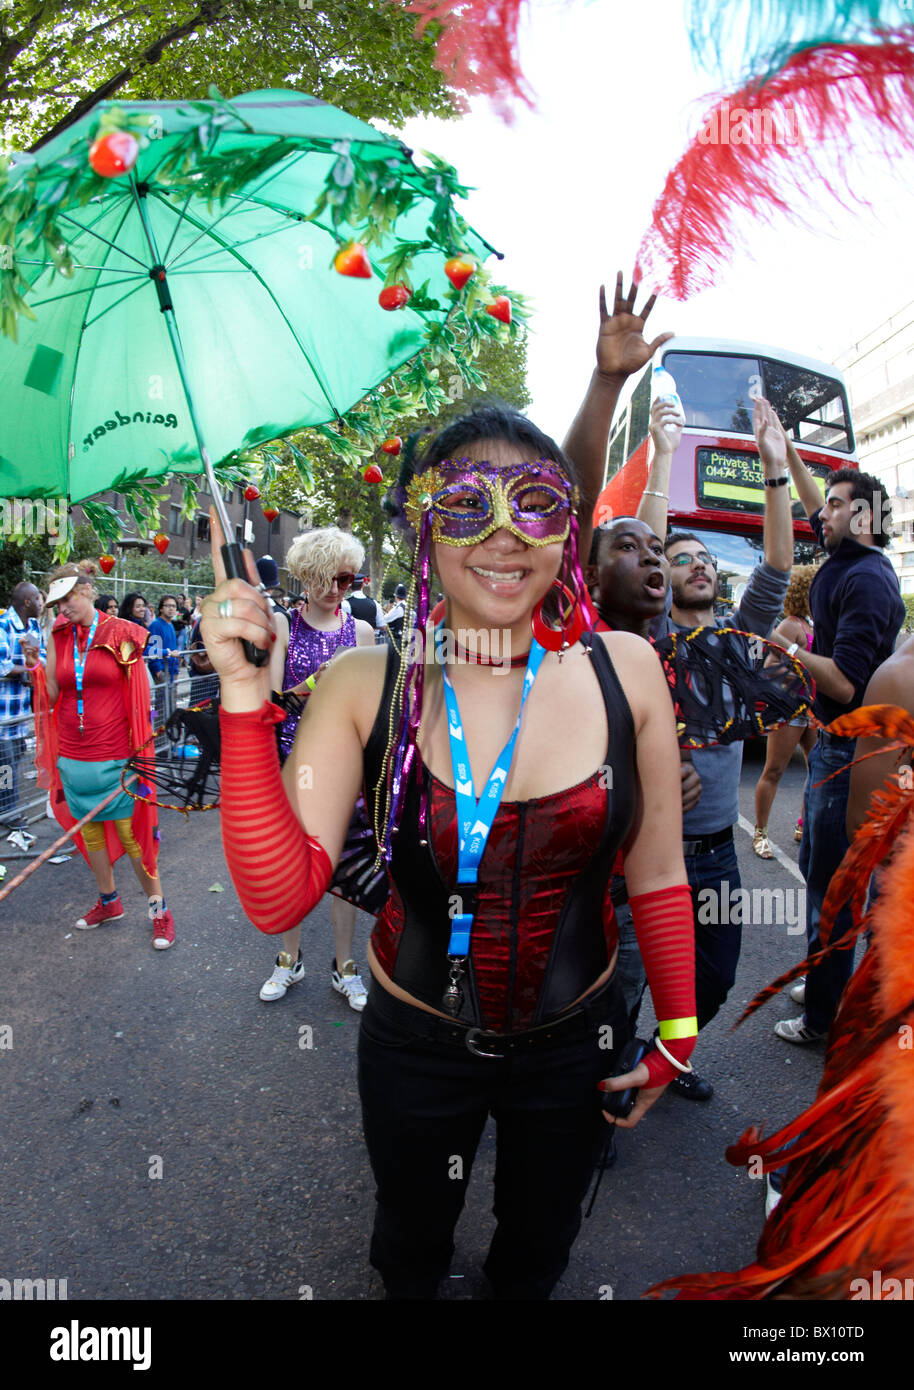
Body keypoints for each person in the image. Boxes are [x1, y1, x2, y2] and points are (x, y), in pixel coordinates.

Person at [202, 392, 698, 1301]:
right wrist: (241, 695)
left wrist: (676, 1028)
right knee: (411, 1244)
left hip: (575, 1039)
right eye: (467, 505)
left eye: (536, 502)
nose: (504, 533)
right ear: (425, 531)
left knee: (540, 1247)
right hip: (415, 1041)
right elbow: (278, 902)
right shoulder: (365, 680)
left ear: (566, 525)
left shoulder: (625, 668)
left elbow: (659, 870)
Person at [635, 397, 793, 1095]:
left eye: (704, 559)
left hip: (716, 858)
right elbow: (639, 543)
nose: (697, 564)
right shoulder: (649, 642)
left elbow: (780, 566)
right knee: (622, 982)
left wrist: (775, 468)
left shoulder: (734, 640)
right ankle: (607, 1088)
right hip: (645, 851)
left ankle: (665, 1058)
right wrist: (665, 459)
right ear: (659, 580)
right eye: (679, 558)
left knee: (716, 976)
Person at [767, 443, 905, 1042]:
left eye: (836, 506)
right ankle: (826, 981)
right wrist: (783, 451)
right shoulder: (850, 560)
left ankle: (824, 1017)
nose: (821, 513)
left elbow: (847, 683)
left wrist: (788, 649)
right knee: (821, 872)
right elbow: (817, 499)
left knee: (834, 889)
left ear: (865, 519)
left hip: (851, 755)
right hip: (834, 749)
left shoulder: (868, 581)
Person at [585, 400, 703, 1081]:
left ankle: (614, 1087)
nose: (649, 559)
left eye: (656, 551)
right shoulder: (571, 642)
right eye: (623, 550)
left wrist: (670, 778)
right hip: (576, 888)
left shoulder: (663, 642)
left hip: (643, 889)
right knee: (582, 1013)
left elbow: (645, 557)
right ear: (589, 575)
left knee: (623, 1005)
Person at [27, 563, 175, 948]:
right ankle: (109, 902)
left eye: (69, 599)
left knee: (134, 836)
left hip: (116, 753)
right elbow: (56, 694)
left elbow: (141, 693)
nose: (63, 610)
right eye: (57, 603)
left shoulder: (121, 632)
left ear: (89, 590)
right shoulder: (59, 632)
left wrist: (141, 753)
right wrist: (34, 667)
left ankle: (160, 912)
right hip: (74, 753)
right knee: (90, 831)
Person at [257, 527, 375, 1009]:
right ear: (307, 576)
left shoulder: (362, 631)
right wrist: (314, 684)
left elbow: (371, 707)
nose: (337, 589)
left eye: (347, 579)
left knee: (345, 870)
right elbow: (269, 697)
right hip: (295, 764)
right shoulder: (285, 625)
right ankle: (289, 959)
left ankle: (344, 967)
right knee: (294, 866)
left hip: (348, 769)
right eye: (328, 578)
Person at [752, 564, 817, 858]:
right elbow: (768, 668)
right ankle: (760, 833)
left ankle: (803, 825)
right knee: (774, 770)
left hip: (812, 710)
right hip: (791, 709)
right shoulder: (790, 625)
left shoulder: (811, 624)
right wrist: (799, 680)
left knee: (817, 769)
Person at [0, 582, 46, 852]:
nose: (42, 605)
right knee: (5, 766)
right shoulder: (4, 625)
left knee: (13, 761)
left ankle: (7, 805)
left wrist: (35, 670)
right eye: (39, 600)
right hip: (3, 713)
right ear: (27, 601)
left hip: (19, 712)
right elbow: (3, 665)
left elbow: (37, 659)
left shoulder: (32, 627)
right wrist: (27, 672)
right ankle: (9, 812)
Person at [147, 595, 180, 686]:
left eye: (173, 606)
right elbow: (153, 650)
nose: (171, 609)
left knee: (172, 698)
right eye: (168, 606)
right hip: (163, 671)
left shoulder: (170, 624)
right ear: (161, 609)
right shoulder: (156, 625)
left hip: (172, 670)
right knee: (163, 699)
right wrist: (158, 671)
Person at [383, 584, 408, 651]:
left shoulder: (398, 608)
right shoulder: (406, 606)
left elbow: (385, 619)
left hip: (396, 639)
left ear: (396, 596)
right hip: (405, 637)